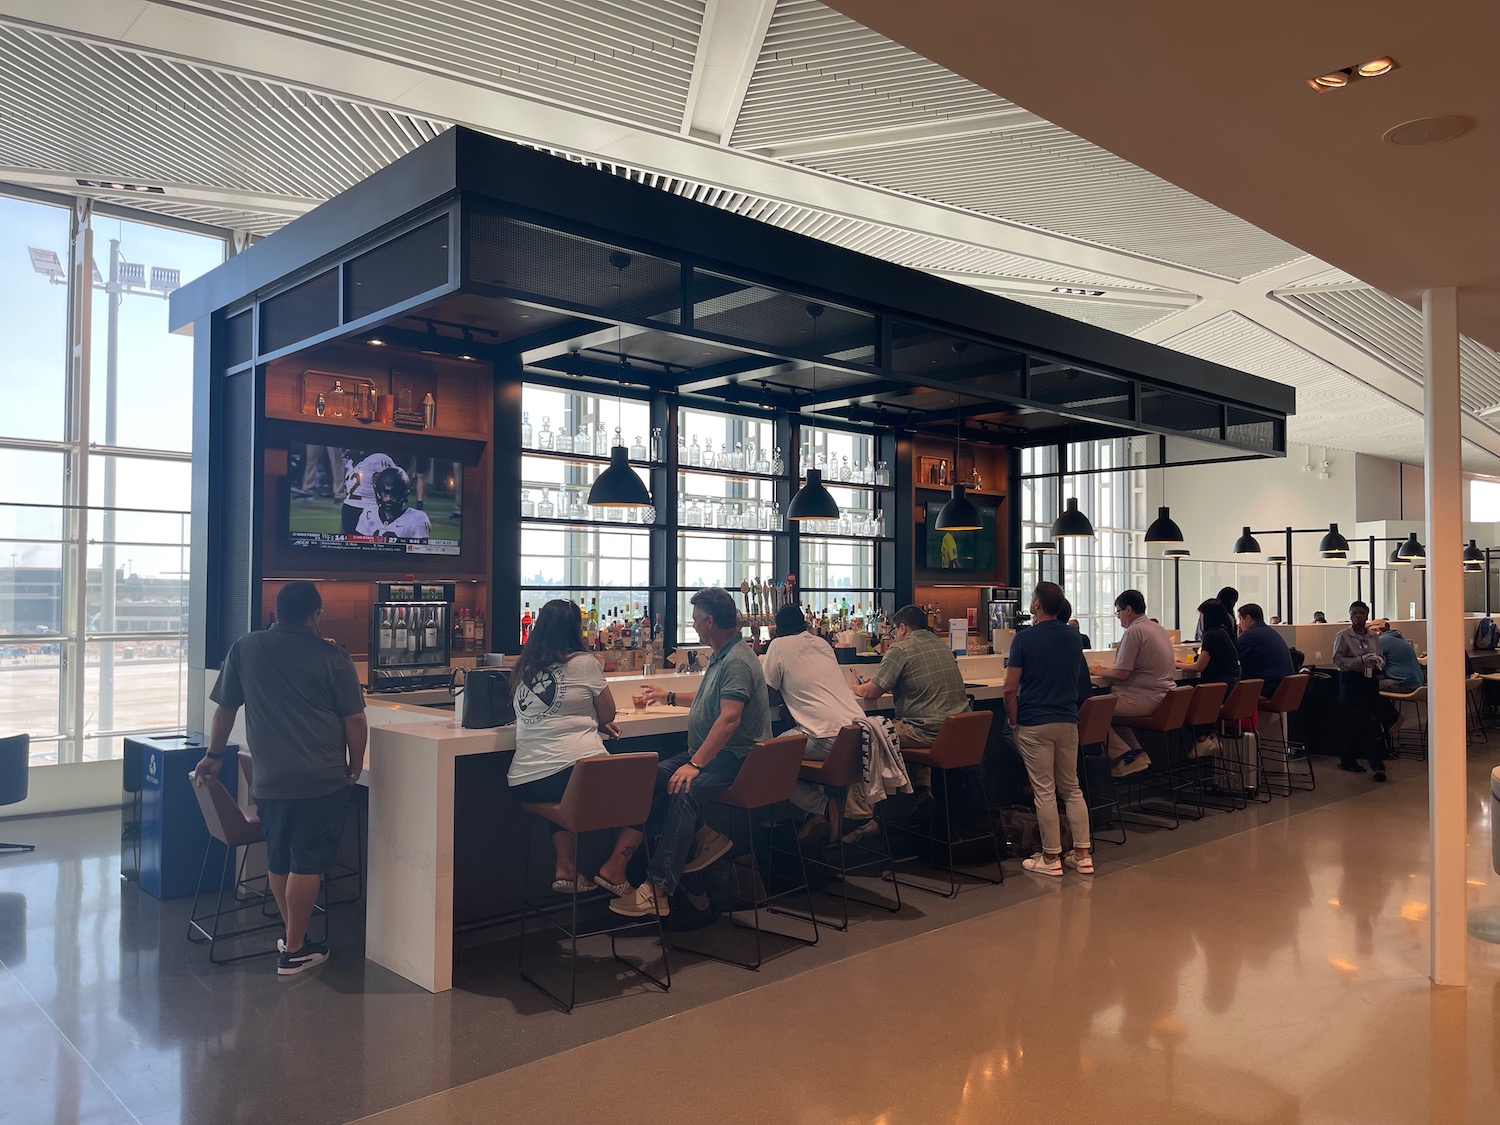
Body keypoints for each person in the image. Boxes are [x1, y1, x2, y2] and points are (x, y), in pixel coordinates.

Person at [191, 581, 367, 976]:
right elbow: (355, 719)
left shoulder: (245, 647)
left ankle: (292, 937)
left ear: (277, 613)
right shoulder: (333, 656)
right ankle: (294, 949)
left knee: (280, 856)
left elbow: (226, 709)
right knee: (307, 862)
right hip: (320, 779)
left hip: (269, 778)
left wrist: (214, 755)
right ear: (315, 614)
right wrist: (355, 765)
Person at [611, 587, 771, 918]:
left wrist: (696, 764)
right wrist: (667, 696)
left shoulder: (738, 660)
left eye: (696, 619)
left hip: (739, 756)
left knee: (685, 789)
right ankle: (707, 838)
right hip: (715, 752)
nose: (694, 625)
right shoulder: (723, 654)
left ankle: (657, 890)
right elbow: (710, 699)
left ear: (710, 621)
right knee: (653, 778)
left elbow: (730, 719)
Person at [508, 599, 641, 897]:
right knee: (650, 787)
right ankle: (614, 869)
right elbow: (608, 714)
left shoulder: (524, 666)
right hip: (571, 776)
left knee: (565, 790)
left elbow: (547, 714)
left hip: (524, 783)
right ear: (575, 629)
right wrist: (595, 720)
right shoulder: (583, 663)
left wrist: (586, 719)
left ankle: (566, 868)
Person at [1003, 582, 1093, 877]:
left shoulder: (1023, 640)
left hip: (1035, 721)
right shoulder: (1073, 638)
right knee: (1072, 788)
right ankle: (1082, 854)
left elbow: (1009, 688)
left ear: (1037, 605)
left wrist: (1014, 721)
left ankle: (1051, 857)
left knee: (1044, 791)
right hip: (1068, 720)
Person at [852, 603, 971, 812]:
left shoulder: (901, 648)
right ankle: (922, 790)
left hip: (928, 733)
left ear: (903, 628)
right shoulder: (942, 645)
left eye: (894, 630)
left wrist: (856, 686)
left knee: (869, 734)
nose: (895, 635)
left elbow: (871, 693)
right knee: (905, 723)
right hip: (959, 733)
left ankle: (866, 816)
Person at [763, 603, 865, 843]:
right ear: (806, 625)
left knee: (763, 760)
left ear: (777, 630)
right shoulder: (822, 643)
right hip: (858, 733)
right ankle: (815, 816)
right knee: (799, 749)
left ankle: (822, 807)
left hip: (826, 738)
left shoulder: (777, 645)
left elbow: (768, 693)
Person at [1089, 590, 1175, 778]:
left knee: (1093, 711)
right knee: (1110, 708)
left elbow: (1121, 673)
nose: (1118, 618)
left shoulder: (1135, 631)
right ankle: (1135, 753)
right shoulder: (1157, 628)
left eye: (1118, 612)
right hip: (1165, 698)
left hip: (1142, 699)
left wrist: (1100, 671)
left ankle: (1122, 756)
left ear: (1128, 609)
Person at [1331, 600, 1387, 781]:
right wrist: (1361, 660)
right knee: (1354, 722)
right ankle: (1354, 760)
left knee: (1372, 721)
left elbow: (1381, 656)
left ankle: (1374, 763)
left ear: (1367, 615)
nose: (1357, 616)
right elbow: (1338, 660)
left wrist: (1378, 662)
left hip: (1369, 681)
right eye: (1354, 613)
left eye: (1361, 613)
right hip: (1350, 681)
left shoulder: (1374, 637)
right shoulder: (1343, 636)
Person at [1179, 598, 1240, 757]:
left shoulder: (1211, 636)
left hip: (1217, 688)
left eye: (1202, 615)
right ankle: (1211, 736)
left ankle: (1202, 739)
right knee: (1201, 703)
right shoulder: (1226, 633)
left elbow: (1199, 666)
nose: (1200, 619)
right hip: (1230, 688)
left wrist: (1178, 664)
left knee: (1182, 704)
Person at [355, 466, 433, 541]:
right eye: (385, 494)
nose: (389, 499)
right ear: (379, 493)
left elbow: (420, 551)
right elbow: (359, 548)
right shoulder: (368, 514)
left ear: (402, 494)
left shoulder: (418, 519)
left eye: (393, 495)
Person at [1236, 603, 1295, 698]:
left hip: (1266, 689)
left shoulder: (1250, 635)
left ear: (1248, 618)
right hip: (1282, 688)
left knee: (1224, 693)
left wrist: (1239, 637)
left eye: (1240, 619)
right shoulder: (1271, 632)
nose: (1239, 624)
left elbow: (1231, 658)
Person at [341, 449, 399, 534]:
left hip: (348, 508)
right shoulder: (375, 459)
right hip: (369, 510)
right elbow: (395, 480)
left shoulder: (373, 460)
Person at [1369, 619, 1423, 692]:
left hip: (1404, 683)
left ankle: (1384, 704)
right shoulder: (1400, 638)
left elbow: (1368, 656)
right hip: (1417, 682)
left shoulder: (1383, 640)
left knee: (1366, 685)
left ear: (1378, 631)